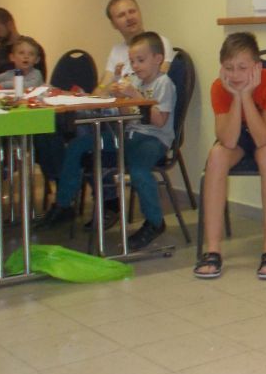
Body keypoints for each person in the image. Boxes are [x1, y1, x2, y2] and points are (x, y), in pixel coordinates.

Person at [38, 32, 175, 249]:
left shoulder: (164, 83)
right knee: (78, 146)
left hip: (153, 139)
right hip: (129, 135)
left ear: (158, 59)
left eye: (140, 60)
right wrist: (118, 95)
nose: (135, 66)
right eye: (132, 61)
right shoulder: (136, 81)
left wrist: (135, 95)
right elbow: (126, 113)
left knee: (139, 170)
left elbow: (159, 121)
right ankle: (64, 204)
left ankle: (155, 222)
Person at [195, 31, 266, 281]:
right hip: (240, 128)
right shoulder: (219, 87)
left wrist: (247, 97)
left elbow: (263, 138)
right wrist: (237, 97)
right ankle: (212, 250)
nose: (235, 75)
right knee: (217, 155)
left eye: (243, 68)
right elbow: (229, 141)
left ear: (257, 67)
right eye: (229, 68)